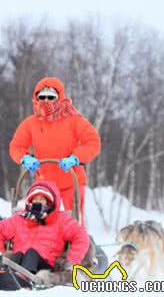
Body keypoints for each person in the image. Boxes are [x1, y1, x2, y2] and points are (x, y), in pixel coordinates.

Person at [9, 77, 100, 224]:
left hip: (72, 180)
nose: (46, 101)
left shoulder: (74, 120)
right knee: (44, 221)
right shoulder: (30, 123)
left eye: (51, 97)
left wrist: (75, 158)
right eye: (42, 97)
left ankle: (78, 245)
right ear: (35, 98)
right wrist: (25, 158)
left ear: (59, 98)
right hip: (45, 184)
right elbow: (16, 146)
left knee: (74, 222)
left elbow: (93, 142)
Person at [0, 181, 90, 275]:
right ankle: (4, 272)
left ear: (49, 203)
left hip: (45, 266)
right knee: (18, 255)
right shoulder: (20, 218)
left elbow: (81, 237)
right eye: (35, 199)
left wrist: (71, 261)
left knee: (31, 253)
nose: (38, 202)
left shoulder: (61, 220)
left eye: (41, 199)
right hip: (20, 262)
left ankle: (25, 277)